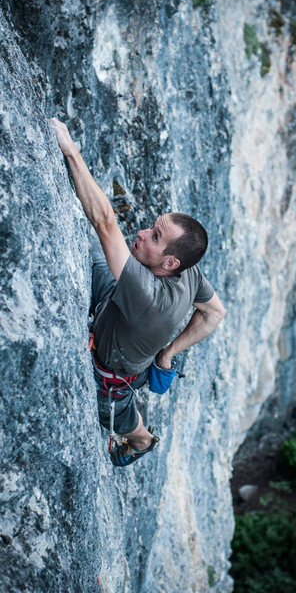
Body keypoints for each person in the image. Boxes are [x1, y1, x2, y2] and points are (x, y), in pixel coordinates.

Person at [50, 118, 226, 467]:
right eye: (153, 227)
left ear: (170, 263)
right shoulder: (189, 273)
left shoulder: (148, 296)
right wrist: (168, 354)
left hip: (113, 374)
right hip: (116, 308)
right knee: (92, 250)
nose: (143, 233)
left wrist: (69, 150)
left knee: (113, 412)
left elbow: (105, 222)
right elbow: (215, 312)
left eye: (155, 238)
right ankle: (147, 369)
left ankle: (142, 440)